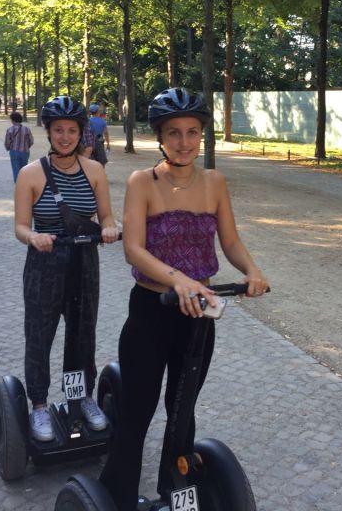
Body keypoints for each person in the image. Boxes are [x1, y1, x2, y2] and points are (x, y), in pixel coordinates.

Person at [99, 87, 269, 511]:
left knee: (183, 407)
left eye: (192, 132)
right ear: (159, 136)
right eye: (173, 133)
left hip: (199, 314)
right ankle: (116, 495)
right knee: (138, 411)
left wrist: (252, 271)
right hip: (151, 310)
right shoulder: (143, 182)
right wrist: (180, 281)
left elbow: (228, 239)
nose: (184, 142)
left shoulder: (214, 182)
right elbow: (133, 249)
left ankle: (177, 494)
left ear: (201, 136)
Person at [13, 96, 119, 442]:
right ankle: (40, 405)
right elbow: (20, 227)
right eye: (58, 130)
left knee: (82, 334)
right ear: (48, 132)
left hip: (84, 262)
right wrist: (34, 237)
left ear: (81, 133)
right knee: (40, 335)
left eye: (71, 130)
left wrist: (108, 228)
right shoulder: (31, 174)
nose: (64, 137)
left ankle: (82, 396)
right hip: (45, 263)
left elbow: (106, 216)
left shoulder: (95, 171)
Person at [4, 111, 34, 183]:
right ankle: (24, 183)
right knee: (24, 169)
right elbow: (31, 141)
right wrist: (27, 146)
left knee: (16, 169)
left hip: (14, 151)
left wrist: (8, 147)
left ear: (13, 120)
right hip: (25, 152)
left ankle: (18, 185)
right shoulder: (27, 129)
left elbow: (7, 142)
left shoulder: (10, 130)